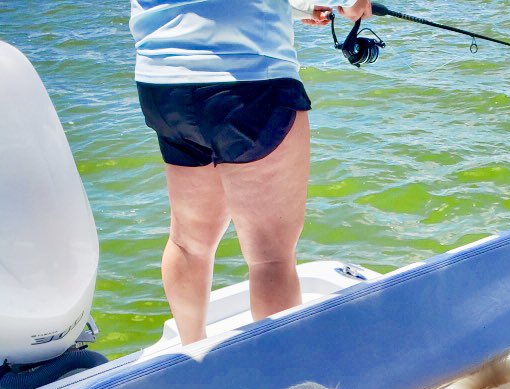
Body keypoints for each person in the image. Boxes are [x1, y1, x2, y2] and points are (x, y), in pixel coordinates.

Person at [129, 0, 373, 345]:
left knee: (188, 242)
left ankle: (192, 353)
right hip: (248, 80)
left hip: (162, 83)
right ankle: (281, 382)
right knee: (270, 258)